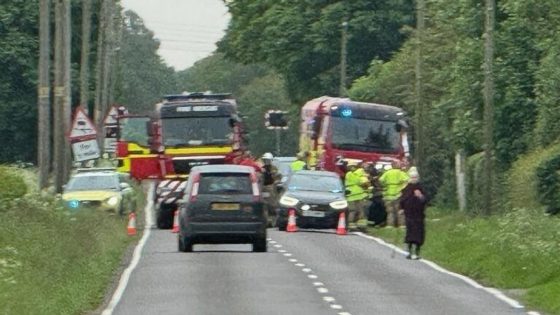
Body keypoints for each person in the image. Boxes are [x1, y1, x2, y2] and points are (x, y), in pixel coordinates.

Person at [399, 167, 427, 260]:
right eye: (412, 177)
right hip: (409, 214)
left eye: (415, 177)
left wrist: (420, 196)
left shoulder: (421, 187)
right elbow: (403, 199)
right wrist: (401, 208)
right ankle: (410, 252)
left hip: (419, 214)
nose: (414, 179)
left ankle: (417, 252)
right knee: (410, 232)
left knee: (419, 233)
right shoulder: (407, 188)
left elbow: (426, 200)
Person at [378, 160, 409, 228]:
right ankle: (401, 225)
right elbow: (407, 180)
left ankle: (390, 225)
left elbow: (381, 180)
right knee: (399, 210)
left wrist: (385, 185)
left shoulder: (387, 172)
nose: (400, 165)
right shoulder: (400, 172)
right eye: (399, 164)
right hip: (398, 194)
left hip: (388, 195)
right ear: (396, 165)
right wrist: (403, 187)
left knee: (390, 212)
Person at [344, 160, 369, 230]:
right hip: (359, 194)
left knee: (352, 210)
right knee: (361, 210)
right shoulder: (359, 173)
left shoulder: (348, 174)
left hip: (350, 195)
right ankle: (361, 226)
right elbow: (363, 182)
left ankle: (350, 225)